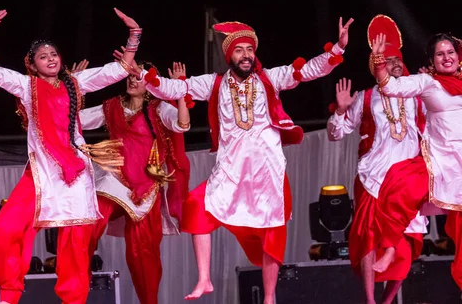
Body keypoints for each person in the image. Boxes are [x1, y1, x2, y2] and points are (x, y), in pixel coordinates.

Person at [141, 18, 353, 303]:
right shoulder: (214, 84)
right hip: (230, 171)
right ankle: (204, 278)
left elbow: (307, 71)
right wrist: (144, 77)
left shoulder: (270, 78)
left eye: (249, 49)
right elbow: (175, 89)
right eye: (238, 50)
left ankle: (268, 297)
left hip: (268, 172)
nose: (245, 55)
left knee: (271, 233)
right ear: (230, 57)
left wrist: (337, 49)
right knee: (195, 206)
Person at [0, 9, 143, 304]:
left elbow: (115, 71)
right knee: (3, 230)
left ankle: (74, 300)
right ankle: (8, 295)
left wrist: (134, 36)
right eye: (42, 55)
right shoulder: (26, 87)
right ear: (33, 65)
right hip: (41, 174)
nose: (50, 57)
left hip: (76, 173)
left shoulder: (75, 83)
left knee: (76, 248)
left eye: (53, 53)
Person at [327, 15, 427, 304]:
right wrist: (341, 111)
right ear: (376, 68)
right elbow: (337, 134)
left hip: (408, 176)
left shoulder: (417, 96)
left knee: (407, 238)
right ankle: (370, 300)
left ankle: (387, 301)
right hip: (374, 177)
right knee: (370, 237)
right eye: (386, 60)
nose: (394, 64)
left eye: (397, 59)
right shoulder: (366, 98)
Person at [79, 60, 191, 304]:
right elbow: (75, 121)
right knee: (88, 222)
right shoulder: (111, 108)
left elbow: (182, 125)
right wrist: (75, 88)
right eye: (130, 75)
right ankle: (76, 287)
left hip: (145, 188)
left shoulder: (159, 110)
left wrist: (180, 90)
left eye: (138, 76)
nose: (132, 80)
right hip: (114, 181)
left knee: (143, 254)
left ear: (150, 83)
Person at [371, 32, 462, 291]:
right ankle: (389, 246)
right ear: (432, 60)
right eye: (440, 54)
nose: (447, 57)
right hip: (439, 161)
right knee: (398, 183)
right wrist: (379, 63)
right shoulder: (427, 82)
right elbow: (391, 87)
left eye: (451, 52)